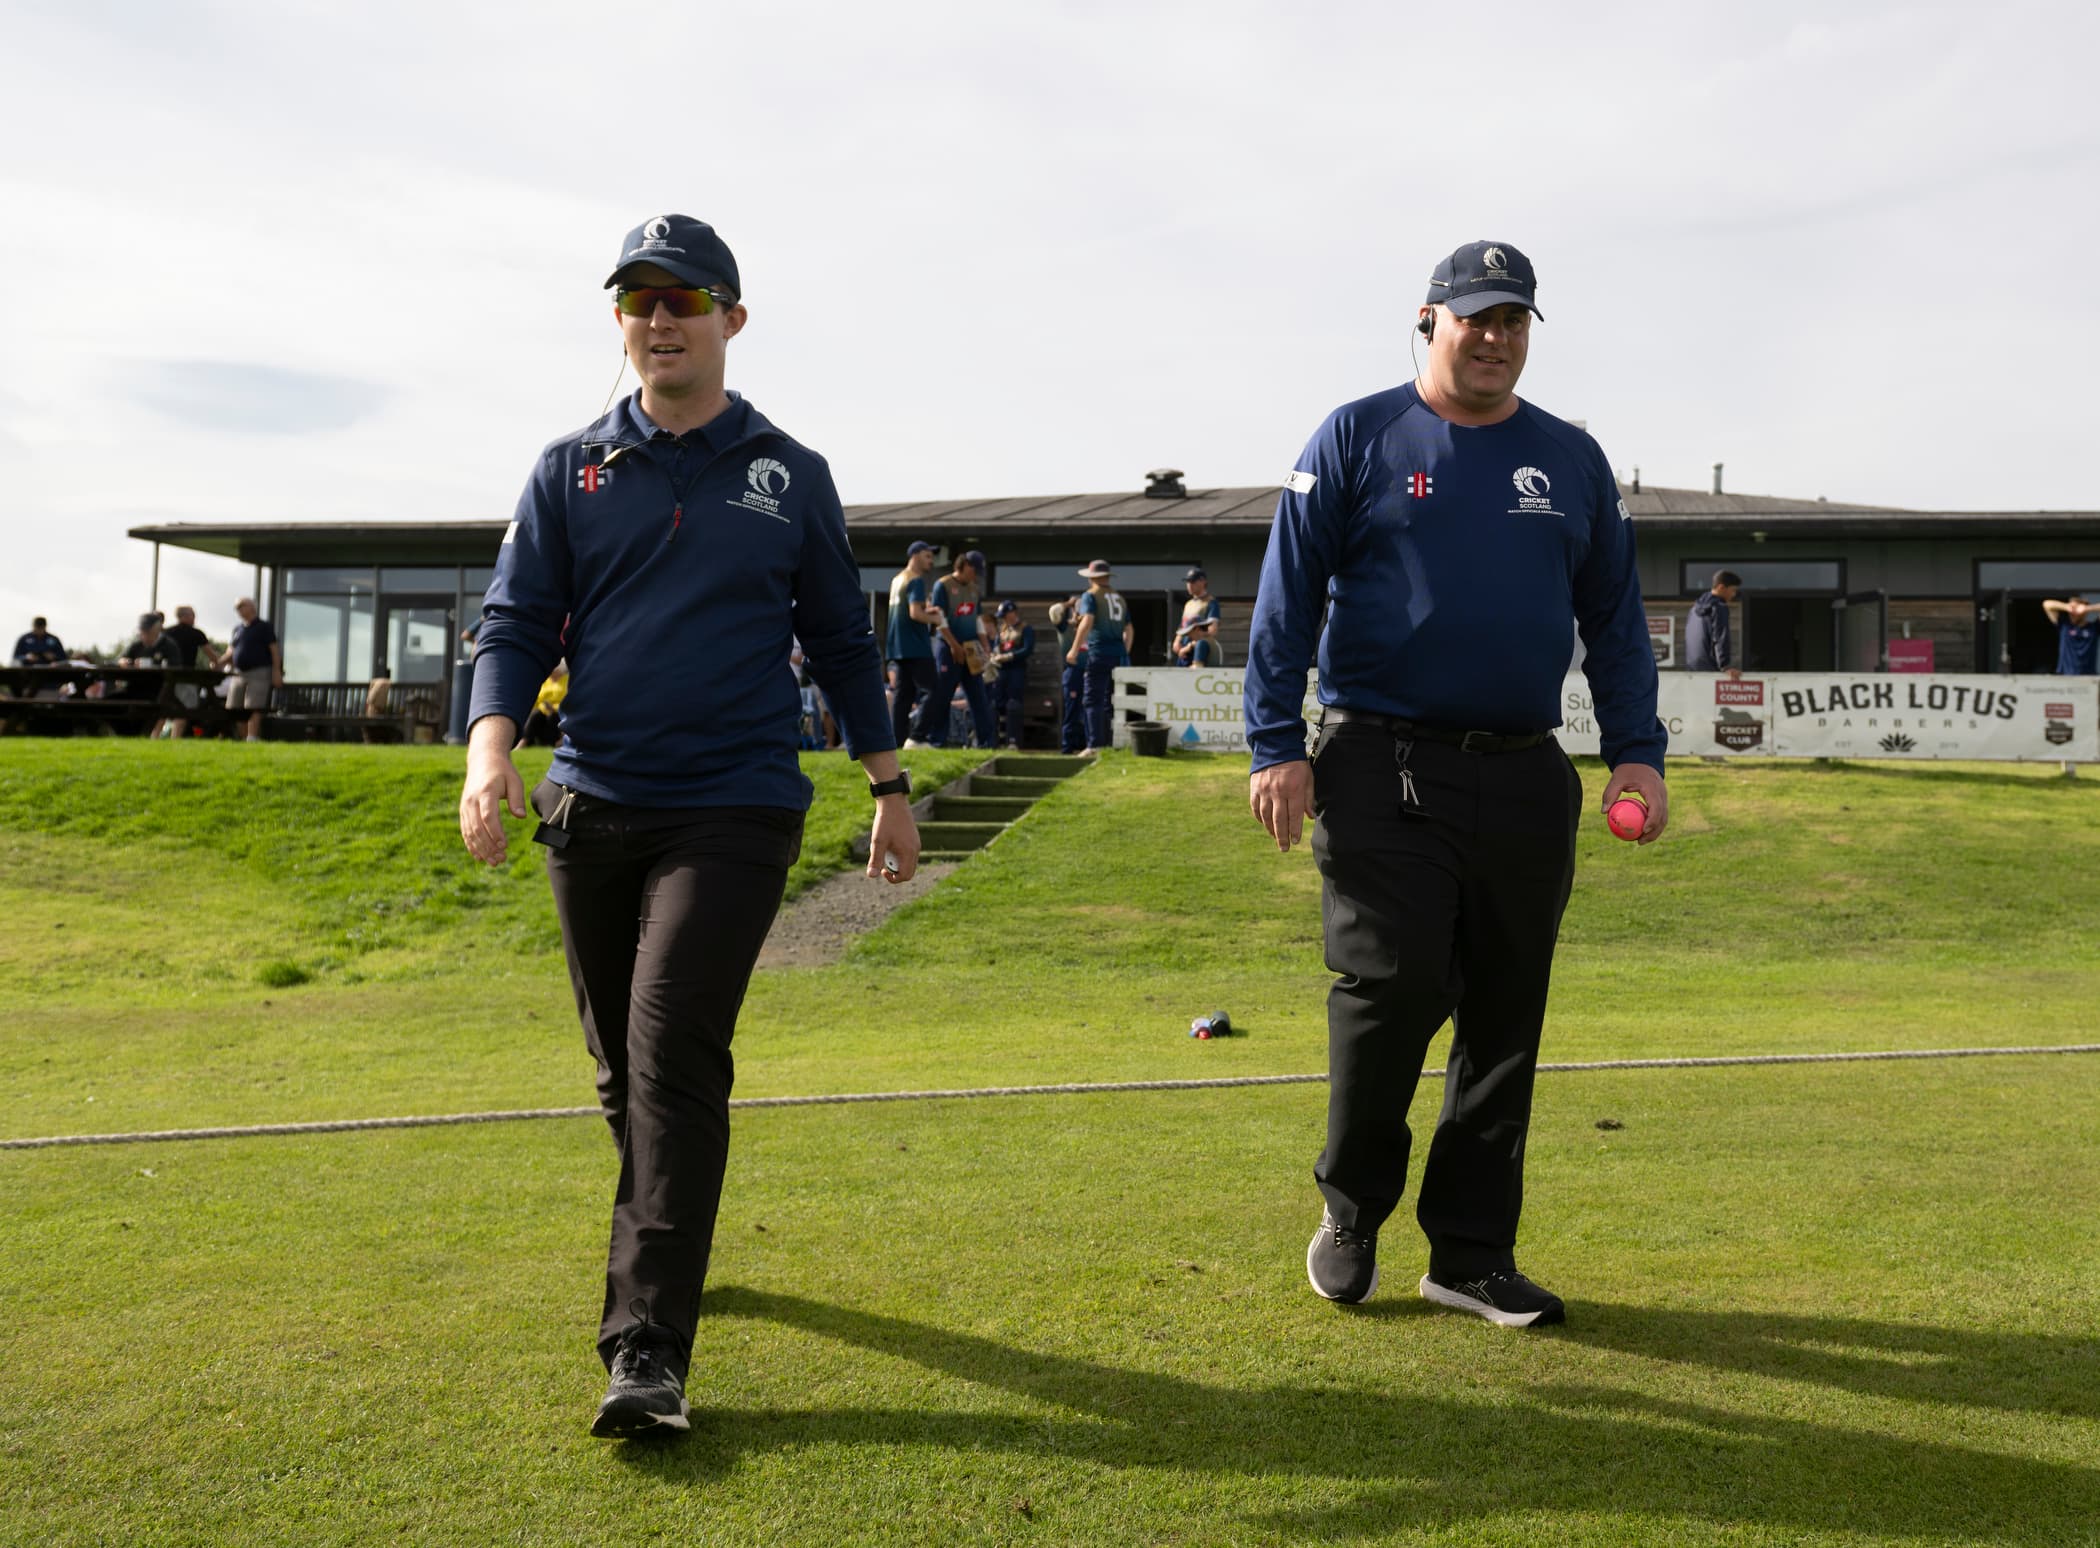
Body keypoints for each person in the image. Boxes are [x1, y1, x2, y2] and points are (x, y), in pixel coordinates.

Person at [456, 211, 919, 1441]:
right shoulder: (568, 471)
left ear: (732, 319)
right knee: (621, 1071)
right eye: (639, 300)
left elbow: (841, 640)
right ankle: (670, 1232)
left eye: (685, 298)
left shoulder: (791, 473)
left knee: (669, 1055)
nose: (660, 318)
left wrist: (887, 787)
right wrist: (489, 749)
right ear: (620, 321)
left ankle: (646, 1348)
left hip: (736, 806)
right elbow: (514, 624)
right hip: (592, 806)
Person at [1245, 239, 1668, 1329]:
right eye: (1475, 317)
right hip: (1379, 759)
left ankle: (1472, 1255)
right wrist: (1272, 742)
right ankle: (1351, 1210)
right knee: (1391, 991)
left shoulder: (1570, 459)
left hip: (1526, 773)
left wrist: (1637, 751)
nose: (1495, 337)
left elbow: (1615, 619)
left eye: (1514, 319)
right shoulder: (1359, 436)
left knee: (1505, 1013)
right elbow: (1287, 596)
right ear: (1428, 321)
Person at [927, 550, 994, 747]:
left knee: (978, 696)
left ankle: (986, 742)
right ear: (964, 565)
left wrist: (985, 644)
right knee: (943, 695)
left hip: (971, 648)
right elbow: (940, 619)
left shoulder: (974, 589)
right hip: (949, 648)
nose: (976, 574)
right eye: (974, 569)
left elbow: (978, 619)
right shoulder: (943, 585)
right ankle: (937, 739)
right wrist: (954, 646)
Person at [1065, 560, 1132, 752]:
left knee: (1092, 699)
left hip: (1099, 651)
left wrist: (1074, 649)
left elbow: (1087, 622)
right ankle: (1113, 743)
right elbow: (1129, 628)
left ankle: (1095, 744)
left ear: (1092, 578)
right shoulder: (1120, 598)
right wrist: (1125, 650)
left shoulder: (1091, 596)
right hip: (1118, 654)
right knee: (1112, 700)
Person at [886, 540, 942, 748]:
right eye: (928, 556)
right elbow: (915, 613)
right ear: (916, 555)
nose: (931, 561)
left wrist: (927, 611)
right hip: (916, 646)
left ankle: (896, 742)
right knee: (933, 691)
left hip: (897, 647)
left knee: (903, 697)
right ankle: (918, 737)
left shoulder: (897, 579)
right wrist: (936, 619)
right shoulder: (916, 580)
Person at [225, 597, 282, 742]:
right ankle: (242, 738)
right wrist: (218, 663)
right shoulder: (237, 629)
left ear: (252, 607)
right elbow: (230, 651)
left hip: (259, 672)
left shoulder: (264, 627)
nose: (238, 610)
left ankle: (252, 737)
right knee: (235, 707)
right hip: (238, 674)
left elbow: (274, 651)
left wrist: (276, 672)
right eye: (237, 607)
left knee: (254, 705)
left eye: (241, 606)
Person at [160, 604, 218, 738]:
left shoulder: (166, 633)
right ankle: (175, 737)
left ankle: (155, 735)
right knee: (186, 707)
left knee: (164, 706)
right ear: (185, 616)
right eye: (193, 615)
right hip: (187, 676)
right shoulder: (196, 633)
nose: (194, 619)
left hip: (167, 675)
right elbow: (212, 655)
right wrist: (216, 663)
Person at [989, 601, 1035, 747]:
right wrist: (995, 656)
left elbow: (1027, 649)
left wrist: (1010, 656)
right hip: (1002, 670)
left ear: (1012, 613)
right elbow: (996, 645)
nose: (1003, 618)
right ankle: (996, 739)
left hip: (1016, 670)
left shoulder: (1025, 628)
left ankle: (1013, 740)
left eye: (1005, 615)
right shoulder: (1002, 629)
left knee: (1014, 704)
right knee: (997, 703)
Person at [1684, 570, 1742, 677]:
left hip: (1692, 668)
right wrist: (1725, 666)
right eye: (1733, 590)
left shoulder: (1694, 608)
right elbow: (1720, 637)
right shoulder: (1719, 606)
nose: (1734, 595)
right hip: (1710, 670)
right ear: (1721, 588)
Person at [1049, 597, 1084, 754]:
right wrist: (1069, 604)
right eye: (1078, 609)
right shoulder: (1065, 626)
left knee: (1090, 711)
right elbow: (1054, 611)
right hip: (1073, 671)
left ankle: (1087, 745)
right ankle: (1067, 747)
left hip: (1090, 671)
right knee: (1072, 711)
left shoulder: (1091, 626)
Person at [1174, 567, 1223, 667]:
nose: (1189, 585)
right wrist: (1177, 641)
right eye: (1188, 582)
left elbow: (1212, 630)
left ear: (1203, 581)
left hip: (1199, 650)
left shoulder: (1211, 602)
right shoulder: (1188, 604)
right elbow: (1183, 626)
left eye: (1192, 581)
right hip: (1184, 652)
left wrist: (1191, 645)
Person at [2043, 596, 2098, 675]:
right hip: (2065, 674)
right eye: (2071, 611)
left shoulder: (2094, 627)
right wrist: (2067, 607)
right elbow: (2047, 604)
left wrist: (2087, 608)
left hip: (2088, 675)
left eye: (2076, 611)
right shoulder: (2064, 626)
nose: (2072, 614)